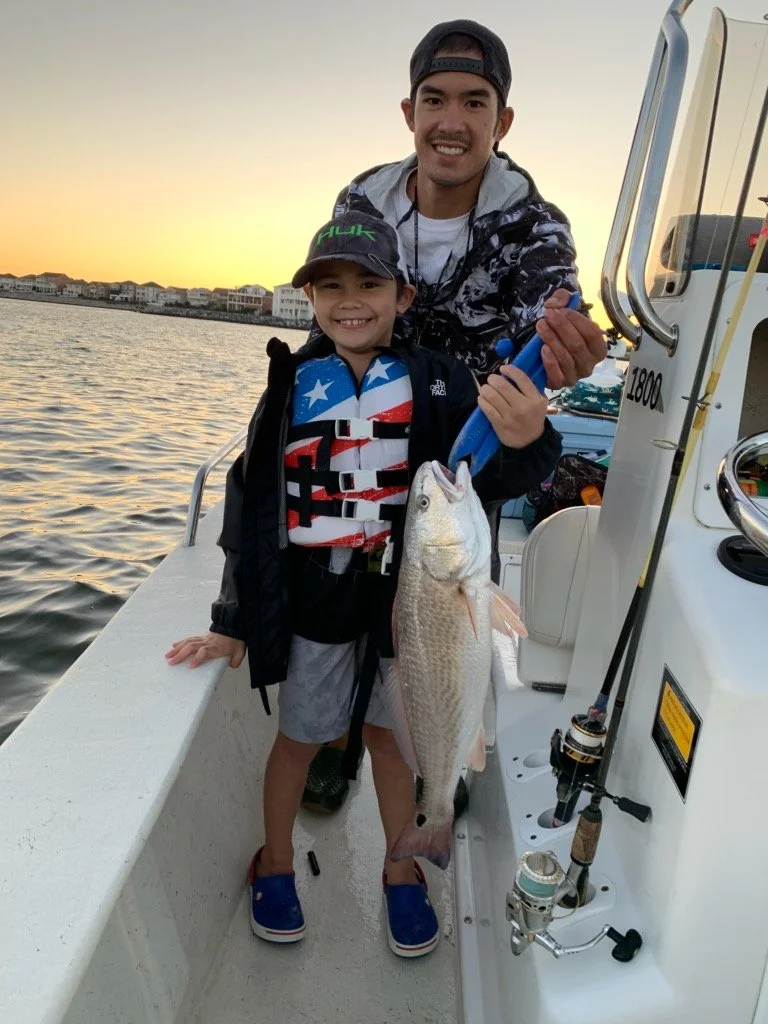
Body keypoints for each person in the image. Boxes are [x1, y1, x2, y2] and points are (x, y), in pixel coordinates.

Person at [165, 212, 561, 956]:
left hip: (407, 596)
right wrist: (232, 616)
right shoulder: (289, 384)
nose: (351, 301)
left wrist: (529, 438)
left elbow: (491, 477)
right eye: (330, 286)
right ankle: (275, 862)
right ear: (310, 297)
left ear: (403, 296)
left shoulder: (440, 381)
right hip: (315, 591)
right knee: (299, 737)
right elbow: (249, 504)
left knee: (390, 737)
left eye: (369, 284)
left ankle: (402, 867)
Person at [302, 18, 608, 815]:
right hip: (367, 437)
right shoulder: (360, 198)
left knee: (455, 609)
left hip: (465, 458)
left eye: (475, 102)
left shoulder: (537, 228)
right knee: (350, 599)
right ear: (409, 112)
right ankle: (337, 743)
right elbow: (332, 315)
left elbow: (552, 338)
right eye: (435, 99)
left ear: (501, 123)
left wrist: (569, 355)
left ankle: (447, 755)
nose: (452, 121)